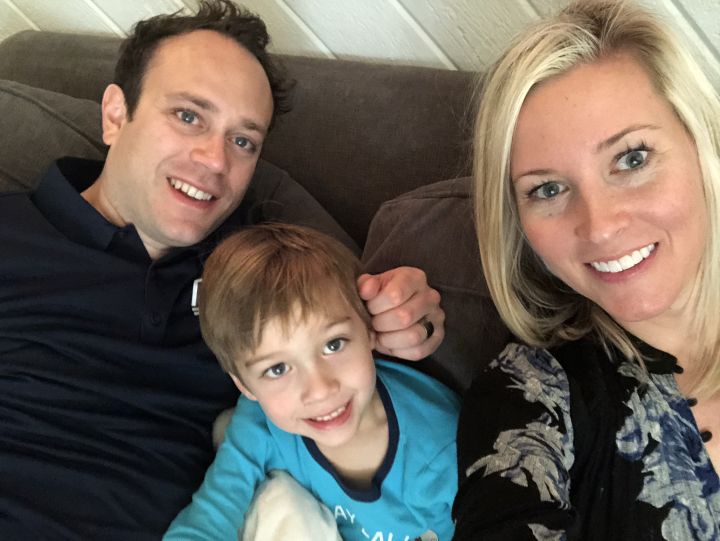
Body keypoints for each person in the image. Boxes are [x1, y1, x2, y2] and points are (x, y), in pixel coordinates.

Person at [0, 1, 445, 538]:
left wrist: (405, 314)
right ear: (116, 114)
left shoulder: (254, 274)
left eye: (243, 141)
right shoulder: (12, 235)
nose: (216, 160)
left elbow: (348, 333)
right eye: (188, 116)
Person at [452, 0, 720, 539]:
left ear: (704, 142)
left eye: (632, 158)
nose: (598, 227)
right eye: (548, 189)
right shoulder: (530, 394)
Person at [163, 223, 459, 540]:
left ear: (369, 330)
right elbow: (208, 518)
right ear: (246, 387)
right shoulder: (261, 423)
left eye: (333, 345)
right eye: (277, 369)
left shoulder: (440, 456)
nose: (320, 389)